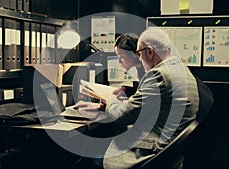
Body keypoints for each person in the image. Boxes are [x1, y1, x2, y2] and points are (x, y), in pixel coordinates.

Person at [75, 28, 213, 169]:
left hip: (154, 152)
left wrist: (110, 98)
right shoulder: (181, 69)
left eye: (139, 54)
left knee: (89, 158)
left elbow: (122, 116)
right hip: (172, 152)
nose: (139, 59)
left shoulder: (158, 75)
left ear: (149, 51)